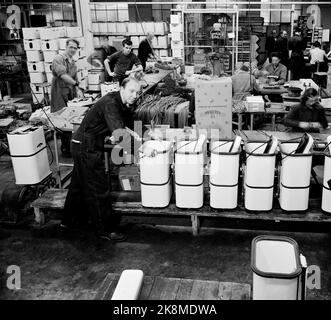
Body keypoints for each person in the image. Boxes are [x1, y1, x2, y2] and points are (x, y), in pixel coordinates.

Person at [60, 77, 141, 241]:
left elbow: (122, 124)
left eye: (137, 92)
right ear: (121, 88)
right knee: (99, 189)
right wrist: (140, 151)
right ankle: (105, 230)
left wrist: (136, 133)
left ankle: (68, 221)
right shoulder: (110, 103)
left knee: (78, 186)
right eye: (131, 91)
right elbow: (119, 134)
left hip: (81, 144)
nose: (135, 95)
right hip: (87, 148)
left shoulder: (118, 102)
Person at [51, 38, 84, 156]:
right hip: (59, 92)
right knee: (62, 119)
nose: (73, 50)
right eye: (71, 47)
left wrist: (78, 89)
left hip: (70, 93)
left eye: (75, 48)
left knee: (72, 118)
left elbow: (75, 78)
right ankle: (65, 148)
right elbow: (63, 75)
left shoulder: (73, 62)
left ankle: (72, 146)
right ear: (66, 46)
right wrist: (75, 84)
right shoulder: (58, 59)